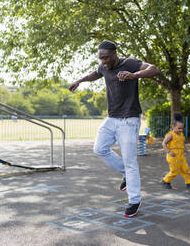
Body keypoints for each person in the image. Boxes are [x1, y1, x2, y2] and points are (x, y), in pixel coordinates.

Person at [68, 40, 160, 217]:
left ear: (115, 54)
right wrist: (79, 80)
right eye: (101, 58)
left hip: (129, 120)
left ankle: (134, 200)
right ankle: (125, 173)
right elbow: (95, 74)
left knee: (130, 161)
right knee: (99, 149)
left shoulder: (130, 63)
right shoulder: (103, 67)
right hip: (112, 118)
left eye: (107, 58)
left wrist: (134, 75)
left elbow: (153, 69)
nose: (104, 61)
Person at [161, 112, 190, 190]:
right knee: (175, 171)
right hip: (173, 156)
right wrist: (169, 152)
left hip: (181, 156)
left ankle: (189, 182)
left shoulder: (181, 135)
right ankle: (165, 181)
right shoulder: (170, 135)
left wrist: (185, 149)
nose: (181, 130)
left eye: (182, 128)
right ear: (173, 126)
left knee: (185, 169)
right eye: (179, 128)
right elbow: (163, 143)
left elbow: (181, 143)